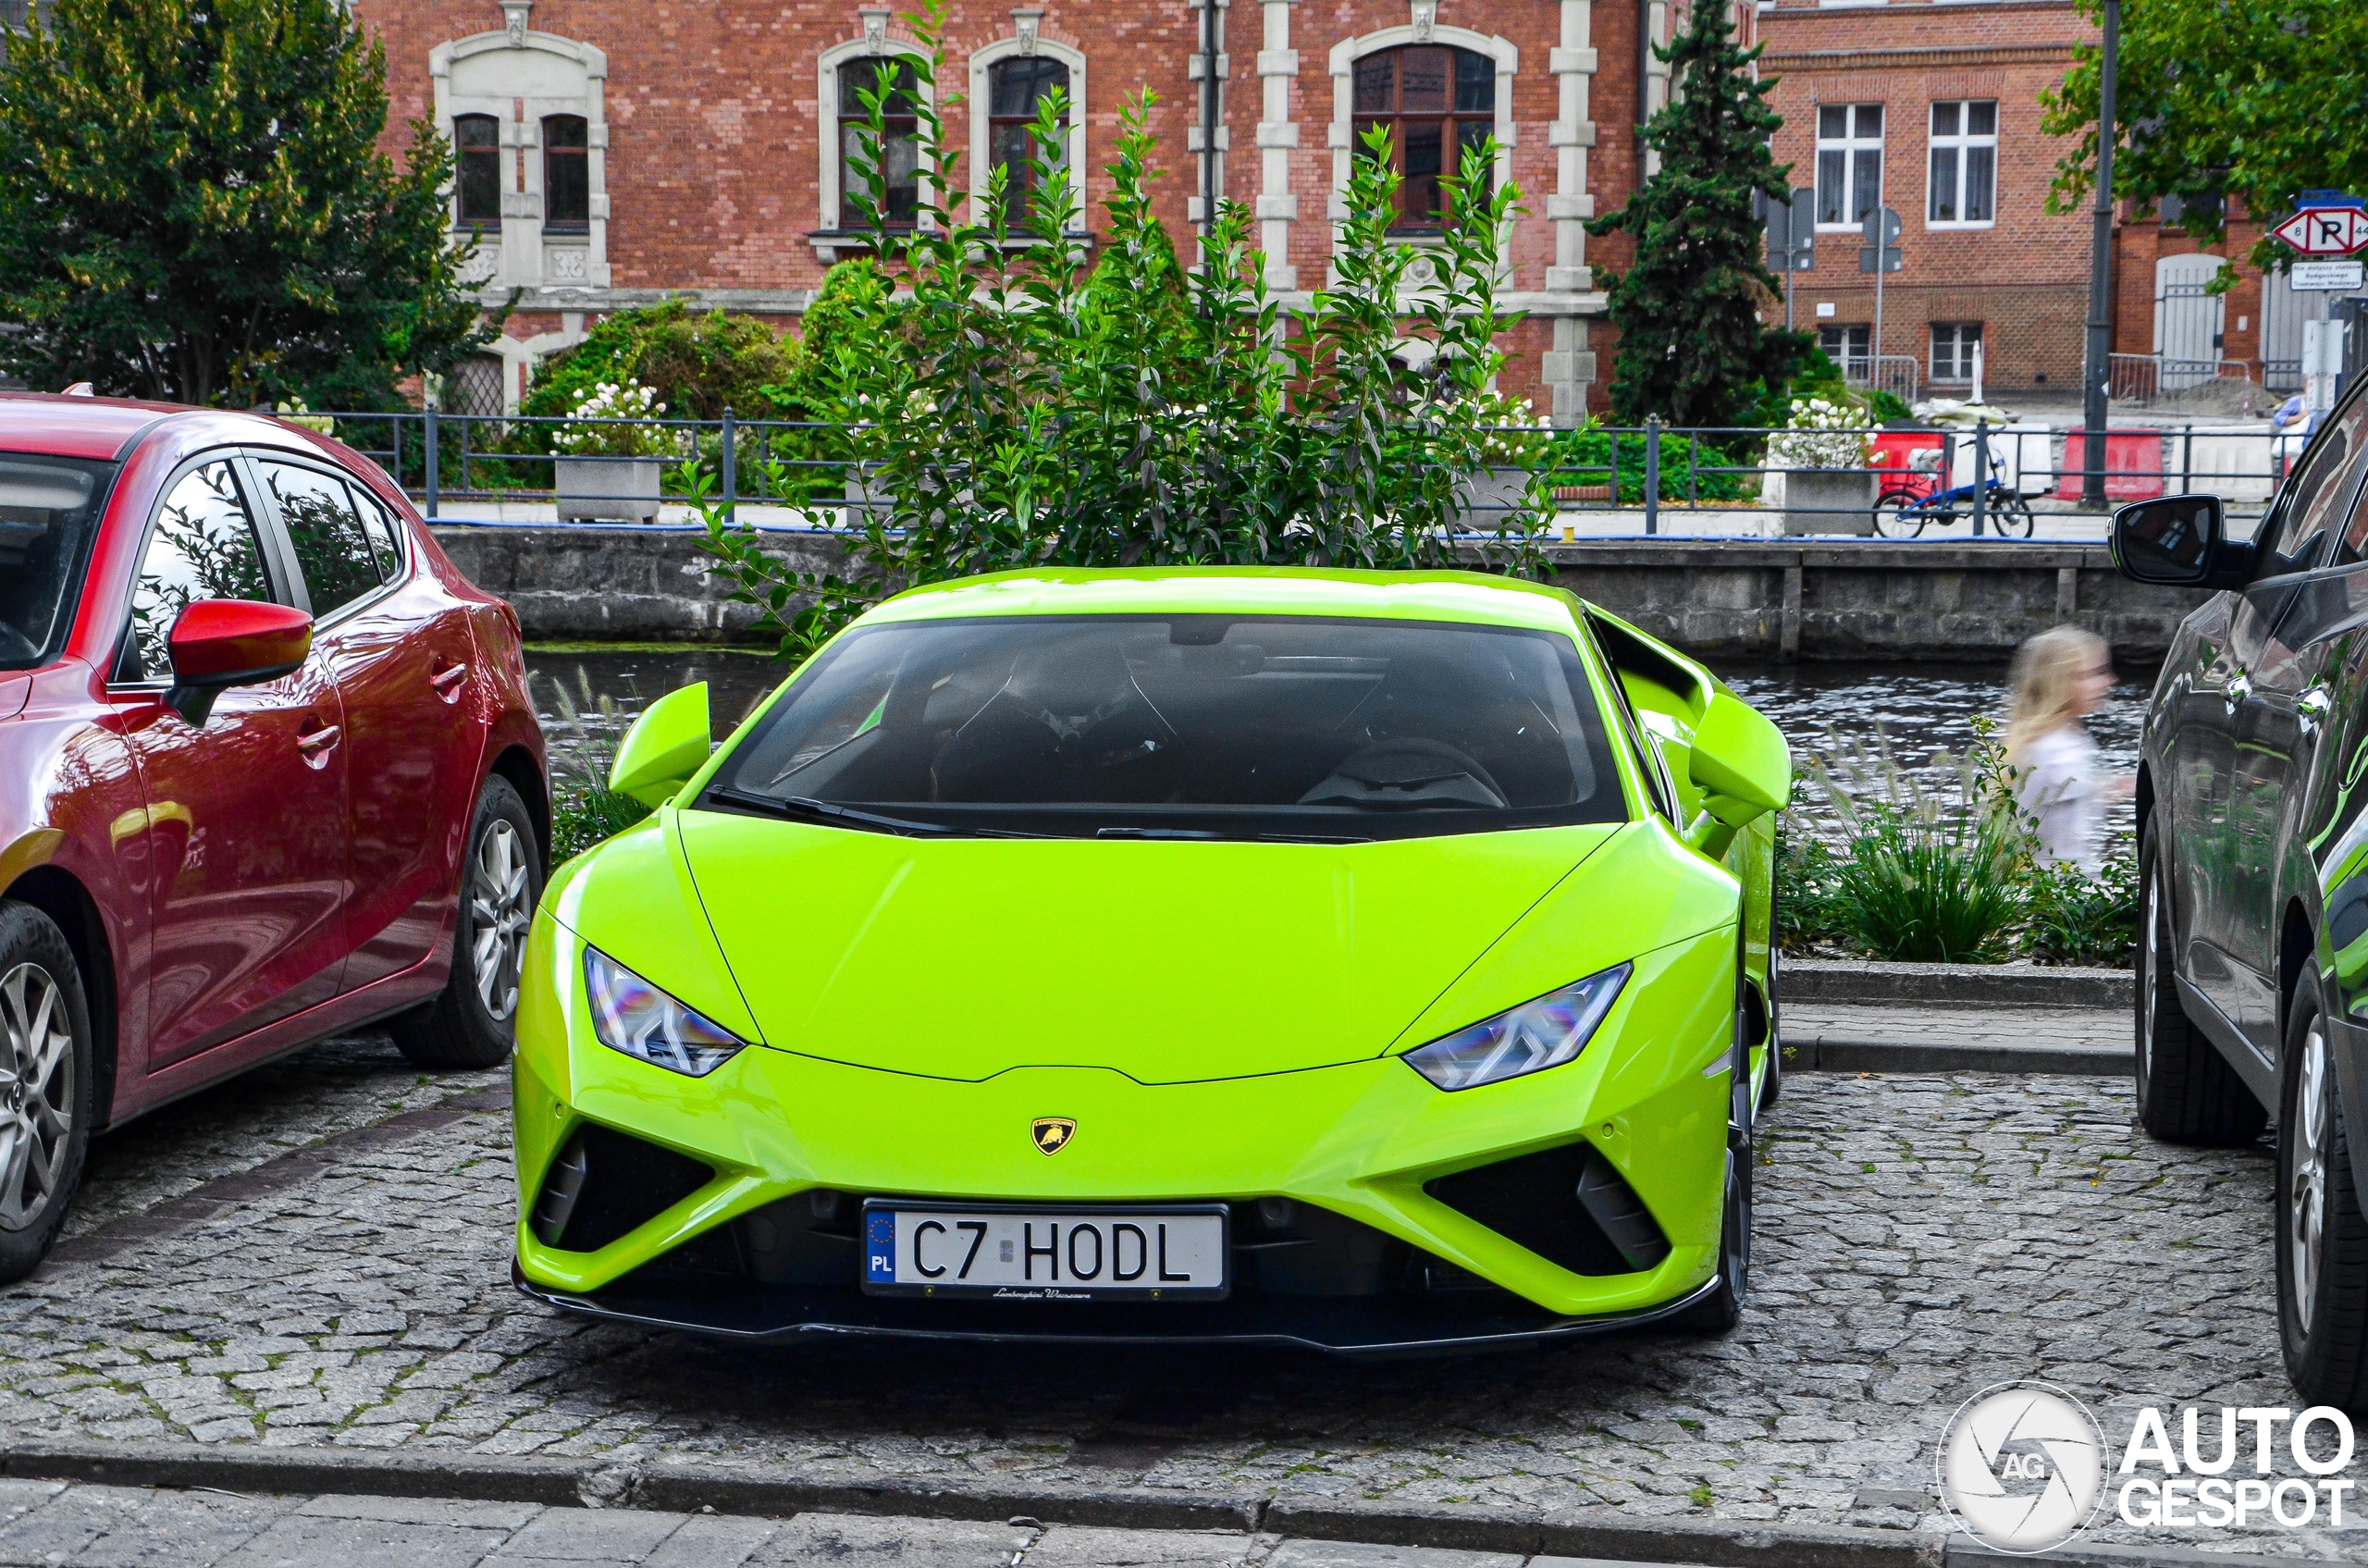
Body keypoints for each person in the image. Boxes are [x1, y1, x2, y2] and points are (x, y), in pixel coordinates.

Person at [2005, 625, 2132, 871]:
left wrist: (2114, 789)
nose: (2109, 681)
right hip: (2058, 893)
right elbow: (2068, 846)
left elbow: (2058, 806)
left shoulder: (2043, 739)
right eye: (2092, 673)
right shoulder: (2059, 750)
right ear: (2059, 682)